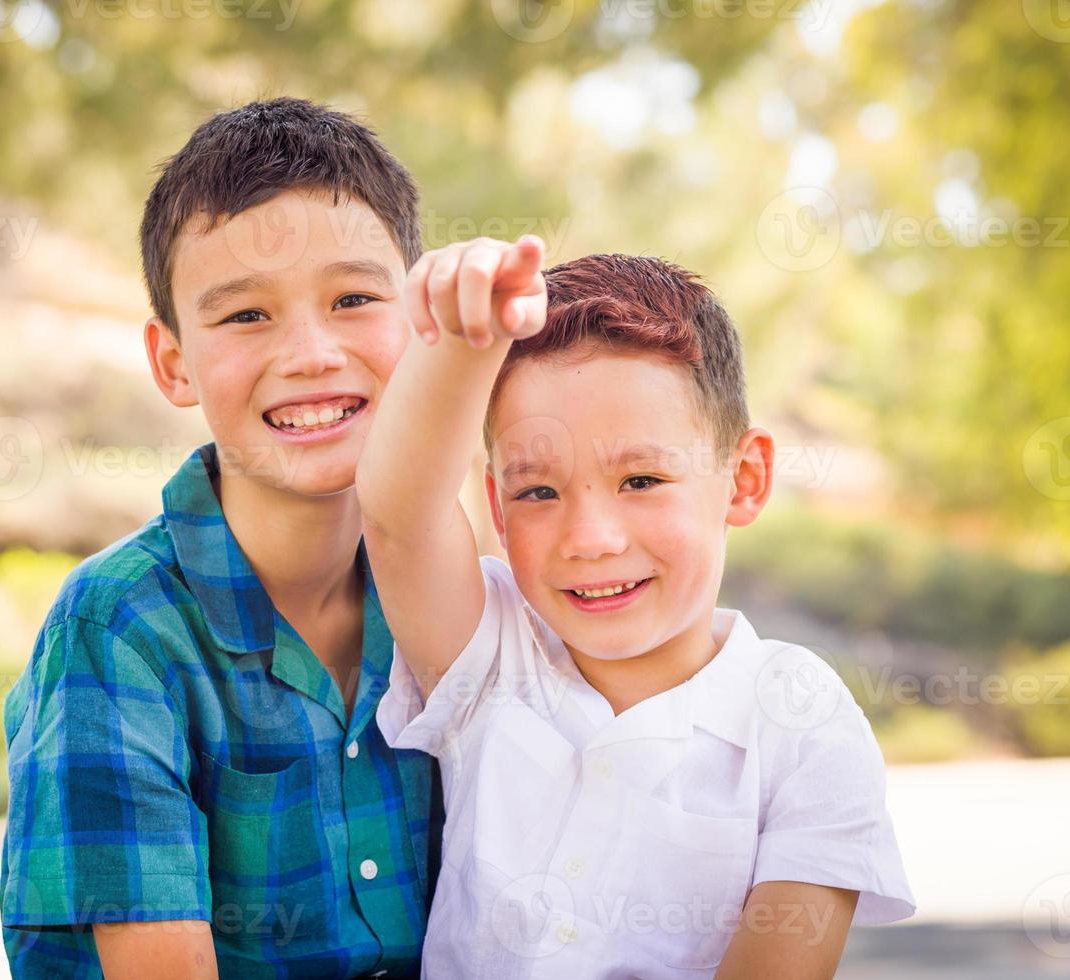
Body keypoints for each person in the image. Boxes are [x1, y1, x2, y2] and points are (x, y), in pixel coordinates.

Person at [358, 236, 914, 978]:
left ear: (743, 479)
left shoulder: (802, 723)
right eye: (538, 492)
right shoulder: (487, 652)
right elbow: (398, 515)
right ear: (495, 506)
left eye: (642, 480)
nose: (588, 539)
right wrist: (459, 343)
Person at [0, 98, 442, 979]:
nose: (311, 352)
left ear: (419, 320)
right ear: (173, 363)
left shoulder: (451, 603)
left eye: (353, 298)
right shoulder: (117, 630)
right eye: (246, 316)